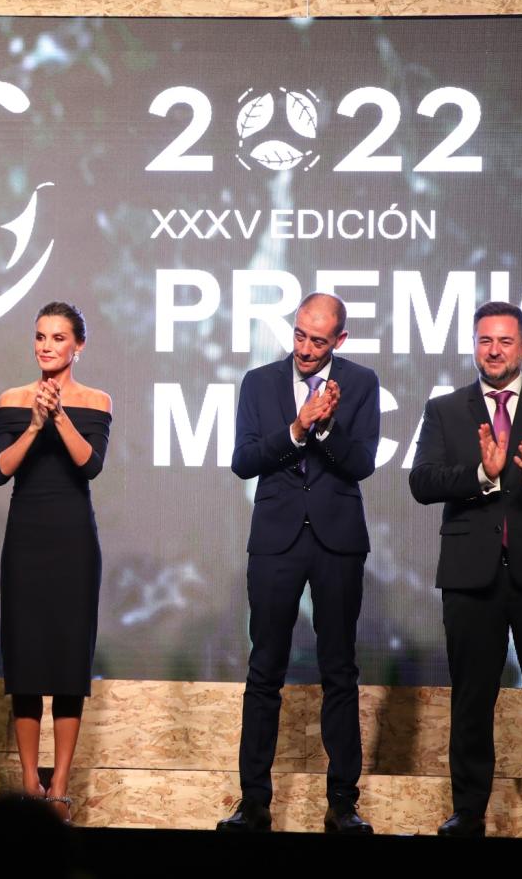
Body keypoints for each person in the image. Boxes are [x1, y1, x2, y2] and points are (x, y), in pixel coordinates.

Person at [218, 292, 379, 834]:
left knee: (340, 671)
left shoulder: (360, 384)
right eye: (300, 335)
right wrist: (297, 427)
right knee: (265, 670)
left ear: (340, 339)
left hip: (337, 541)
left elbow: (361, 463)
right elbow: (243, 461)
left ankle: (343, 803)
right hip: (276, 540)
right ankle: (254, 803)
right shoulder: (259, 383)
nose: (306, 349)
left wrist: (326, 427)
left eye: (318, 340)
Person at [0, 302, 110, 825]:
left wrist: (58, 415)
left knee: (65, 664)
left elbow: (90, 465)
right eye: (40, 336)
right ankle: (28, 782)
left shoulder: (97, 401)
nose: (46, 346)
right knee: (26, 665)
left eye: (58, 338)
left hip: (73, 542)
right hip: (26, 539)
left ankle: (59, 783)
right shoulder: (12, 400)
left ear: (77, 345)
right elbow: (0, 470)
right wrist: (35, 424)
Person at [409, 300, 522, 837]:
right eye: (485, 341)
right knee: (472, 697)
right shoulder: (447, 408)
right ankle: (470, 812)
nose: (494, 350)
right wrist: (482, 471)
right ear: (474, 347)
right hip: (469, 573)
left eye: (504, 340)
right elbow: (422, 482)